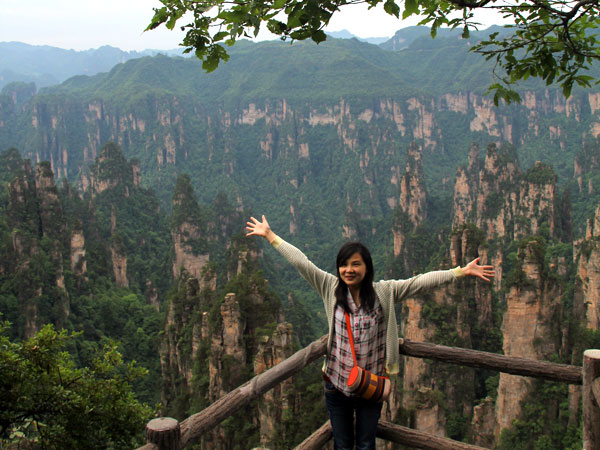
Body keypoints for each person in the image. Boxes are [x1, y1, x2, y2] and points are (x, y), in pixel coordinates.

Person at [246, 215, 494, 450]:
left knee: (366, 445)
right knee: (342, 445)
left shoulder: (384, 292)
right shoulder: (330, 287)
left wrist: (460, 272)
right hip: (336, 385)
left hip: (370, 386)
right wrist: (270, 236)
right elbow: (302, 263)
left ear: (367, 268)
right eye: (344, 265)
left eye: (356, 264)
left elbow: (419, 282)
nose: (348, 270)